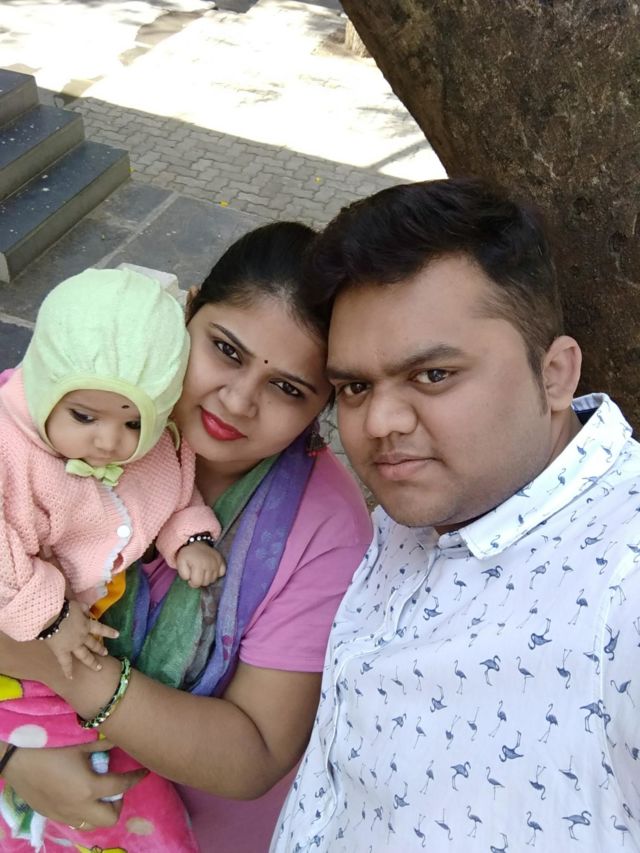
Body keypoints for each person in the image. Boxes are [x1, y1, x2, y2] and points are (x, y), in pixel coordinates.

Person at [271, 178, 640, 851]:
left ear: (556, 374)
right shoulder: (430, 500)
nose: (378, 423)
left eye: (433, 375)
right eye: (355, 386)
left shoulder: (623, 584)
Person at [0, 221, 372, 852]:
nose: (238, 400)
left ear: (323, 405)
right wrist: (13, 758)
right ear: (188, 312)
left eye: (288, 388)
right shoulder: (55, 414)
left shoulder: (324, 530)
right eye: (226, 350)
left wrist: (56, 665)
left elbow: (253, 754)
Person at [0, 267, 226, 849]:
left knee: (102, 758)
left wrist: (190, 537)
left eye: (133, 422)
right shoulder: (10, 451)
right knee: (49, 747)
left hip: (85, 650)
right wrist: (50, 614)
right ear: (45, 382)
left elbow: (168, 494)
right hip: (22, 639)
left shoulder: (151, 451)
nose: (108, 441)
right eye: (84, 416)